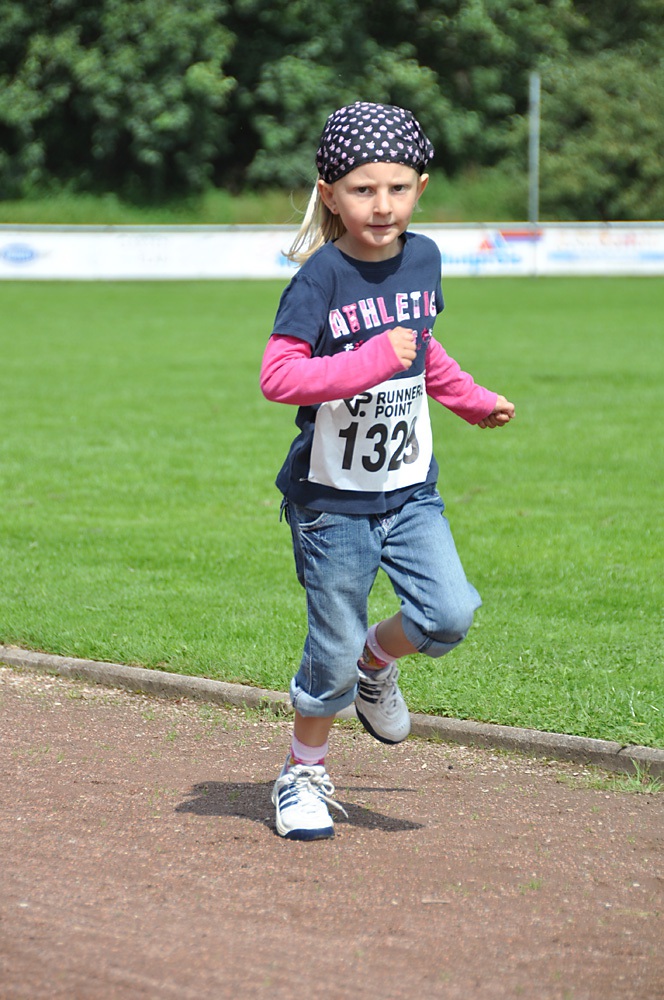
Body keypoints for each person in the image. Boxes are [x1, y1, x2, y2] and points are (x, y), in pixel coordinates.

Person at [260, 101, 515, 840]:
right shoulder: (320, 278)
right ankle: (302, 774)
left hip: (409, 493)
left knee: (448, 614)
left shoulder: (424, 259)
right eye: (363, 189)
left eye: (398, 188)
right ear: (329, 194)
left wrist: (470, 400)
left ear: (420, 189)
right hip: (331, 503)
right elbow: (279, 377)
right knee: (330, 649)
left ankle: (379, 662)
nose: (382, 205)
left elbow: (423, 347)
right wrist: (368, 361)